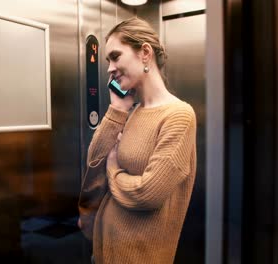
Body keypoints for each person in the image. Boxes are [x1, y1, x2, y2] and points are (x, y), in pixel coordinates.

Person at [79, 17, 197, 264]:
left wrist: (114, 172)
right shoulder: (132, 113)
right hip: (105, 252)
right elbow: (94, 164)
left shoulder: (179, 115)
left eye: (115, 56)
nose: (109, 68)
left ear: (145, 52)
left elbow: (148, 193)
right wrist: (117, 110)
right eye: (107, 61)